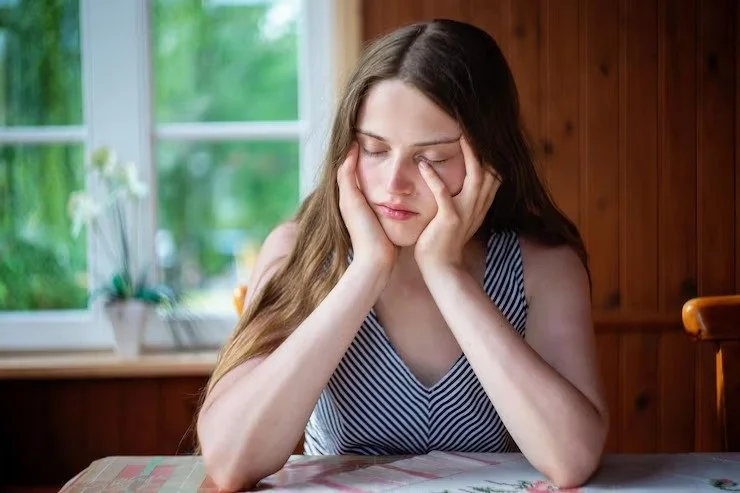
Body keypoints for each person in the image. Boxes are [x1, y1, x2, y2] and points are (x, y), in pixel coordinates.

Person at [196, 18, 609, 492]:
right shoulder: (297, 252)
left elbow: (571, 458)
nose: (394, 183)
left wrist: (448, 274)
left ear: (489, 161)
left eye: (431, 158)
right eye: (374, 149)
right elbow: (228, 462)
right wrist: (367, 270)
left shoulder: (542, 267)